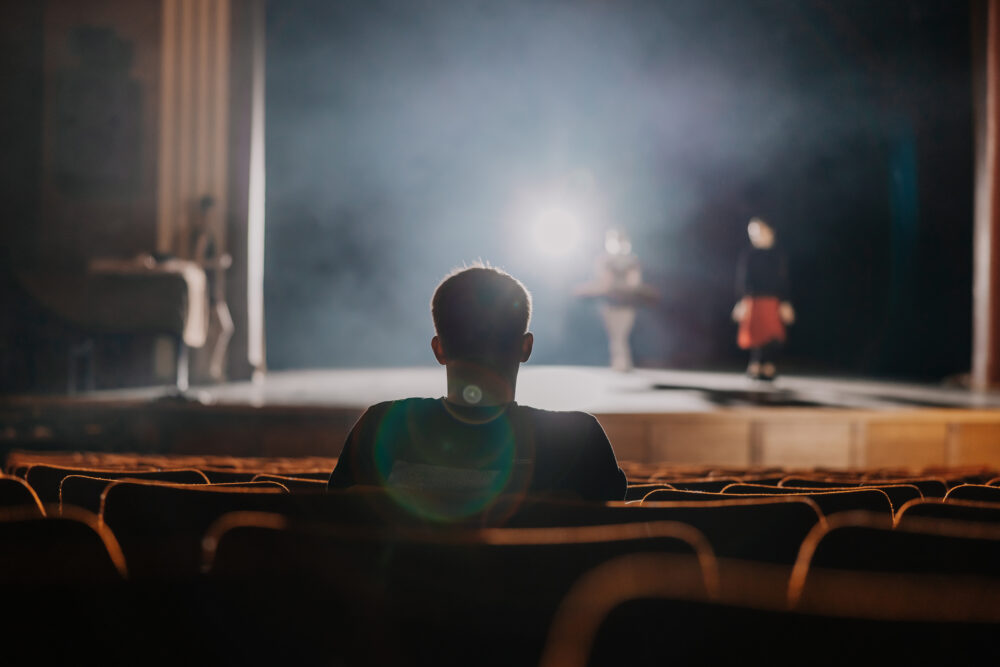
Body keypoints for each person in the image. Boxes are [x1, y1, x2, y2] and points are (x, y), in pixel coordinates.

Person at [328, 265, 627, 515]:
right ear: (526, 347)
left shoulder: (379, 428)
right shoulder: (581, 442)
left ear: (439, 349)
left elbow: (336, 524)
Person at [576, 229, 652, 372]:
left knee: (621, 334)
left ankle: (622, 363)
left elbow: (634, 282)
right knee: (615, 334)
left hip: (626, 305)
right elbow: (604, 281)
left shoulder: (631, 261)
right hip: (611, 304)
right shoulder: (605, 260)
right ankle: (620, 363)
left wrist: (632, 290)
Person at [732, 217, 795, 380]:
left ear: (769, 231)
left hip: (772, 301)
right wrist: (742, 302)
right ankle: (756, 363)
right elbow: (744, 280)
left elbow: (783, 281)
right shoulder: (749, 255)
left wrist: (785, 302)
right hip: (754, 300)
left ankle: (768, 364)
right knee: (756, 334)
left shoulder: (777, 255)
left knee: (773, 334)